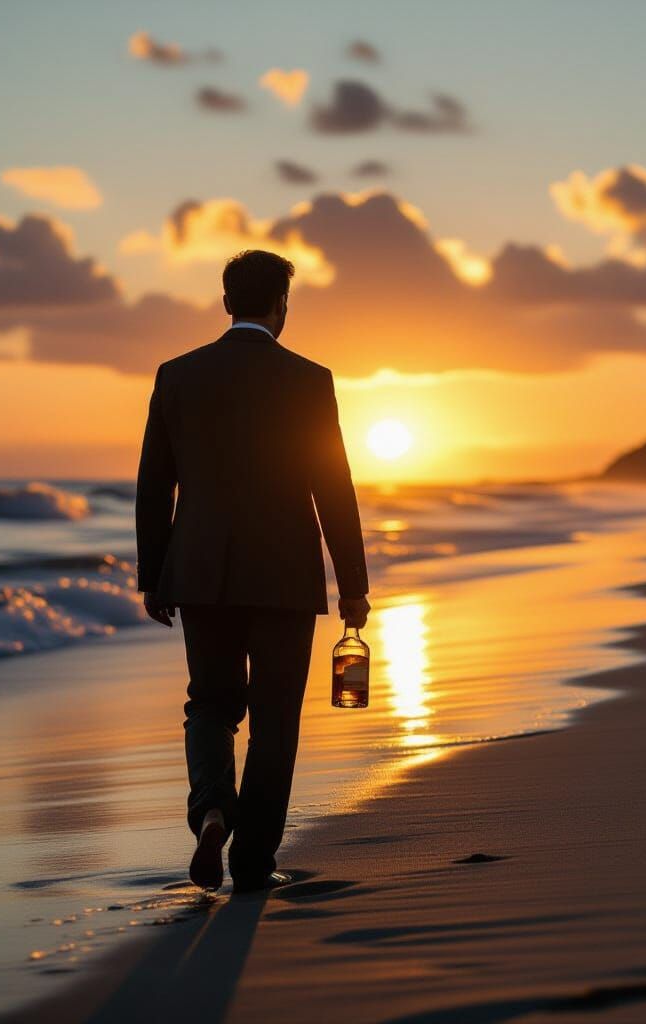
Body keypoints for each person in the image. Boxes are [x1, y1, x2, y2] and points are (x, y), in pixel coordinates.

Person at [135, 249, 370, 894]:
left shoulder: (177, 375)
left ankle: (212, 811)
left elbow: (154, 485)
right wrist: (353, 584)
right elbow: (334, 487)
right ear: (281, 306)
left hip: (201, 572)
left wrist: (152, 575)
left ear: (226, 301)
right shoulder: (308, 379)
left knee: (210, 703)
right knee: (275, 719)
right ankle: (254, 861)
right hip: (284, 577)